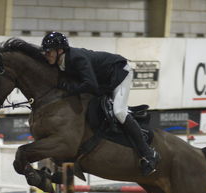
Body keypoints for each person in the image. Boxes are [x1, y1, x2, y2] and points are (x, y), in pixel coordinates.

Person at [41, 31, 159, 176]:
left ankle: (148, 153)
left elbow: (91, 85)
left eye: (48, 52)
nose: (46, 56)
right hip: (103, 80)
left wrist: (69, 89)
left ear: (60, 51)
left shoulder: (77, 58)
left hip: (119, 72)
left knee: (119, 111)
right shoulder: (60, 62)